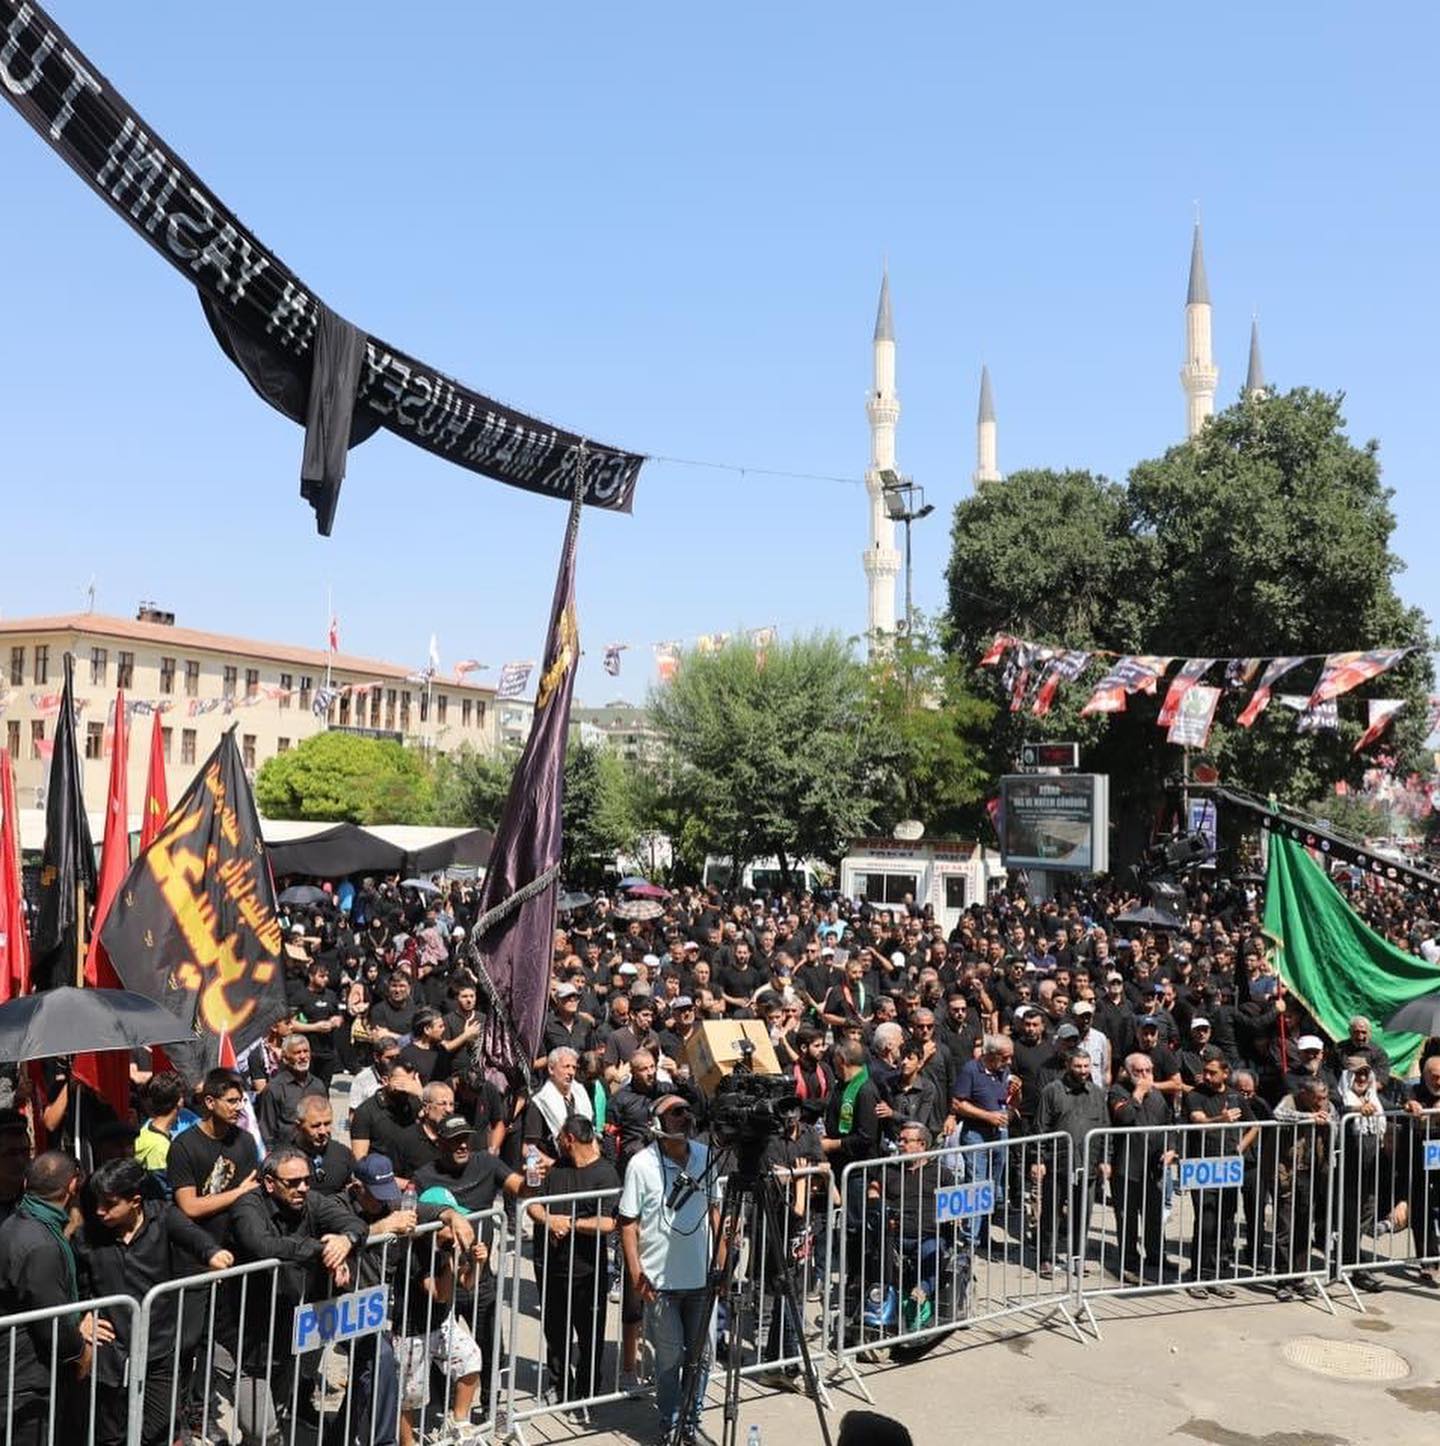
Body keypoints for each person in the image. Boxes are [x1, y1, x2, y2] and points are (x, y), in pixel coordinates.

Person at [76, 1157, 233, 1446]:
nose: (99, 1211)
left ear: (135, 1202)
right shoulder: (87, 1236)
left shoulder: (162, 1216)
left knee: (159, 1432)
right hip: (111, 1354)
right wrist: (84, 1316)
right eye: (97, 1202)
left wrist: (213, 1253)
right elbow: (78, 1285)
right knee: (111, 1436)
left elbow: (193, 1237)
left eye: (109, 1204)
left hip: (158, 1349)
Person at [228, 1146, 369, 1442]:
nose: (303, 1188)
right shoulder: (248, 1206)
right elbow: (262, 1245)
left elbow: (354, 1223)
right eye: (292, 1183)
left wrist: (345, 1241)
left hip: (289, 1328)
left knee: (276, 1414)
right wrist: (321, 1249)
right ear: (269, 1183)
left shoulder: (312, 1200)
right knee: (260, 1428)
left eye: (307, 1180)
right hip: (246, 1334)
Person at [618, 1095, 718, 1446]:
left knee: (701, 1356)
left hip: (702, 1279)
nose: (685, 1116)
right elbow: (627, 1223)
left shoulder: (706, 1156)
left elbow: (717, 1210)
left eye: (687, 1110)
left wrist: (721, 1261)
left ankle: (691, 1424)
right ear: (657, 1124)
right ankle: (671, 1424)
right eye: (675, 1112)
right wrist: (635, 1273)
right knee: (670, 1357)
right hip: (660, 1283)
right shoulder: (641, 1164)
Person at [0, 1152, 99, 1446]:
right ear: (72, 1187)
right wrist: (80, 1352)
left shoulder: (17, 1223)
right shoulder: (41, 1244)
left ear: (27, 1182)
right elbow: (51, 1321)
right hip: (25, 1380)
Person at [526, 1114, 620, 1406]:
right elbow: (532, 1206)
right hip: (551, 1265)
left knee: (590, 1330)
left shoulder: (605, 1174)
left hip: (587, 1270)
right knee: (555, 1330)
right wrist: (550, 1219)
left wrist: (571, 1224)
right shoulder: (555, 1170)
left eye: (559, 1137)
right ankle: (559, 1384)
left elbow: (610, 1223)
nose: (556, 1142)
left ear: (569, 1139)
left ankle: (588, 1386)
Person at [1033, 1047, 1110, 1279]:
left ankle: (1078, 1258)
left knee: (1083, 1214)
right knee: (1051, 1214)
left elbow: (1105, 1128)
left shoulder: (1097, 1093)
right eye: (1078, 1066)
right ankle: (1046, 1258)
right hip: (1057, 1163)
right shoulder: (1052, 1091)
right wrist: (1038, 1160)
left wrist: (1105, 1160)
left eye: (1087, 1067)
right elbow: (1040, 1127)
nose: (1083, 1071)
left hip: (1087, 1163)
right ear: (1068, 1065)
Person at [166, 1068, 262, 1248]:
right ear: (210, 1102)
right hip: (197, 1248)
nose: (239, 1107)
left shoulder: (246, 1140)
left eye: (241, 1101)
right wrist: (239, 1192)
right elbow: (190, 1207)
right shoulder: (183, 1147)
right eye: (232, 1101)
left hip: (237, 1245)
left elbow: (253, 1190)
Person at [1106, 1053, 1175, 1283]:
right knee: (1127, 1219)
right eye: (1139, 1072)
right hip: (1126, 1167)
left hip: (1153, 1167)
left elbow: (1169, 1125)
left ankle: (1156, 1255)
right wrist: (1138, 1094)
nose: (1145, 1076)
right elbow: (1123, 1116)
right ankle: (1129, 1264)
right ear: (1128, 1072)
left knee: (1154, 1215)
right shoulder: (1118, 1091)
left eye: (1148, 1071)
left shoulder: (1157, 1096)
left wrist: (1171, 1149)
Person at [253, 1034, 329, 1148]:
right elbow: (267, 1130)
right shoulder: (274, 1089)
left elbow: (326, 1118)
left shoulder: (318, 1085)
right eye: (297, 1053)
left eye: (306, 1051)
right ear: (285, 1057)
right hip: (288, 1153)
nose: (303, 1056)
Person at [293, 1095, 356, 1195]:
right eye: (315, 1126)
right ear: (298, 1126)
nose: (322, 1131)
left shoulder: (343, 1154)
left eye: (327, 1124)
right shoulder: (284, 1159)